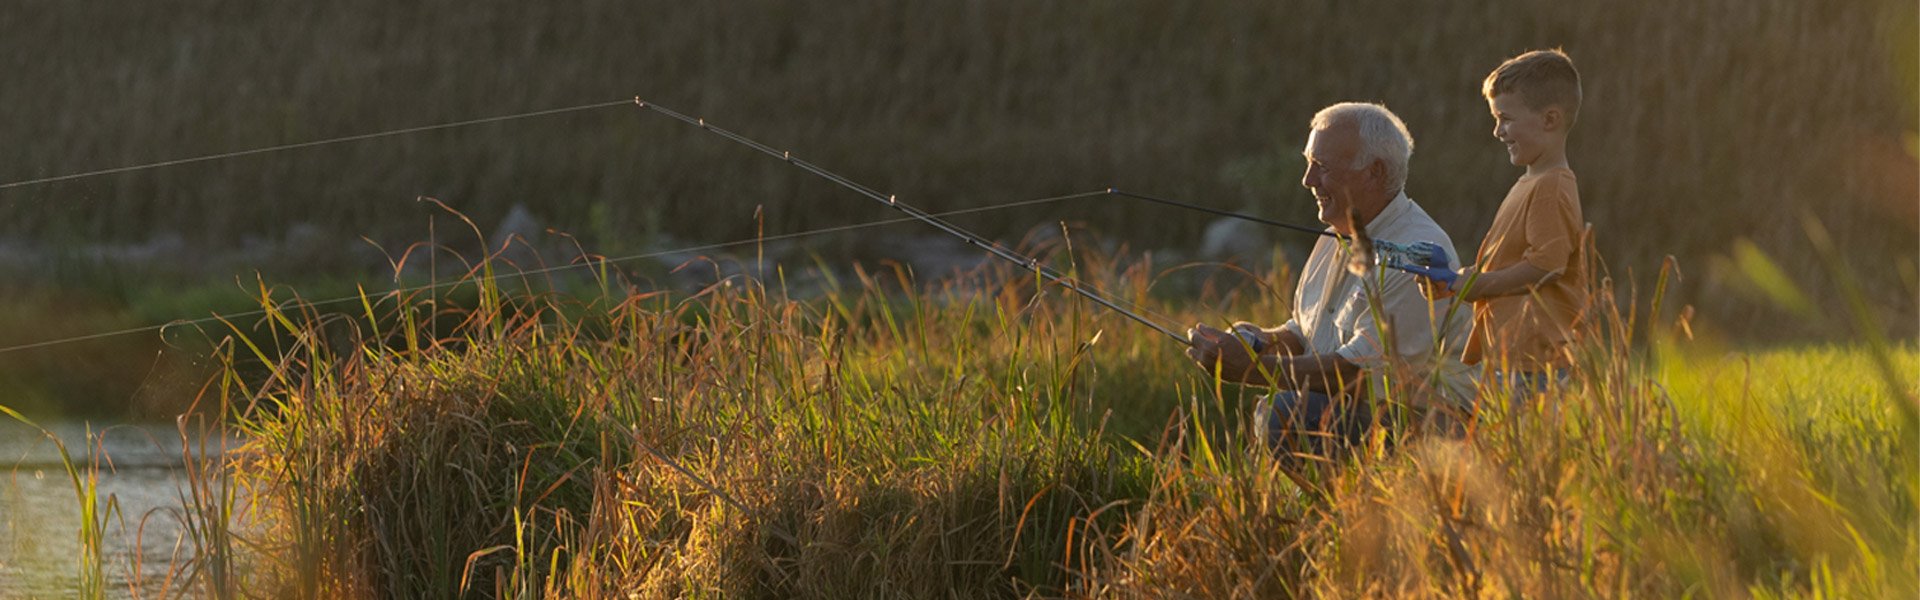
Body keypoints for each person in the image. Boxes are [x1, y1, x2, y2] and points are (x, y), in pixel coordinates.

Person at [1184, 102, 1471, 461]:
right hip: (1361, 415)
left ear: (1374, 172)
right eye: (1308, 164)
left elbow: (1360, 375)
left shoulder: (1417, 251)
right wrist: (1260, 341)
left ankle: (1359, 513)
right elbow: (1305, 332)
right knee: (1290, 411)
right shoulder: (1333, 236)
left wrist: (1252, 370)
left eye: (1322, 167)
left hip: (1424, 435)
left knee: (1288, 416)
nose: (1307, 180)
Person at [1396, 49, 1590, 401]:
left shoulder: (1551, 186)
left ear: (1550, 119)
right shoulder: (1531, 182)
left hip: (1538, 366)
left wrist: (1475, 284)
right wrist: (1455, 283)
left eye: (1505, 119)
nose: (1497, 131)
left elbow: (1545, 267)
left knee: (1529, 453)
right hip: (1511, 358)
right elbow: (1507, 266)